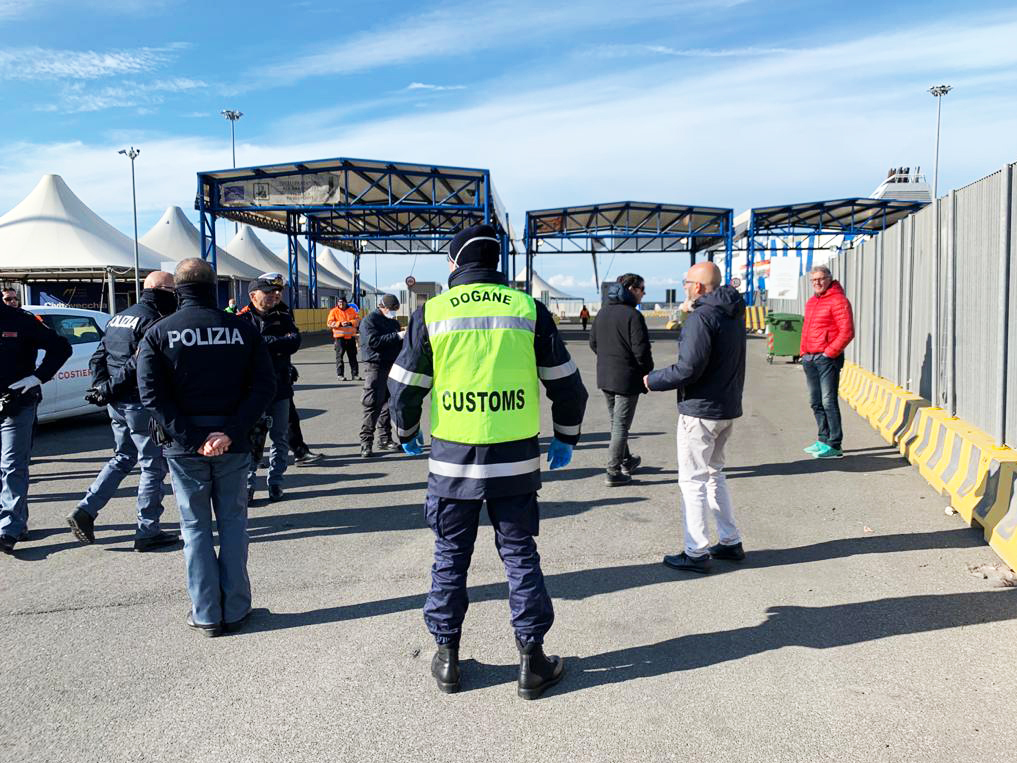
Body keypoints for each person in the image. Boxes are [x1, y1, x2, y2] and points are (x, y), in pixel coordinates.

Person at [389, 223, 588, 699]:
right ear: (495, 263)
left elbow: (403, 387)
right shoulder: (527, 309)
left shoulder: (432, 311)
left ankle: (448, 658)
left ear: (456, 263)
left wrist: (406, 431)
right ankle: (532, 660)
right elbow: (567, 385)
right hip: (515, 462)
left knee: (449, 558)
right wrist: (566, 437)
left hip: (452, 462)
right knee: (520, 558)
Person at [136, 258, 275, 637]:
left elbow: (151, 395)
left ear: (178, 290)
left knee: (195, 529)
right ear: (214, 287)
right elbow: (265, 387)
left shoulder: (159, 333)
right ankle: (236, 608)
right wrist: (229, 432)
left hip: (184, 448)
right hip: (233, 444)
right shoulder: (243, 330)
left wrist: (194, 438)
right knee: (233, 525)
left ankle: (207, 614)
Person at [644, 262, 746, 574]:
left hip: (700, 410)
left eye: (688, 282)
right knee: (715, 474)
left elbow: (689, 367)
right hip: (726, 407)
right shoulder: (732, 313)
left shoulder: (702, 318)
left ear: (699, 287)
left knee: (693, 480)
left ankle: (696, 551)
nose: (685, 286)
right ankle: (729, 541)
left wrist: (652, 380)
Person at [67, 271, 180, 551]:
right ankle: (147, 529)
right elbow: (137, 363)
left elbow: (98, 356)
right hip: (140, 402)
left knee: (123, 457)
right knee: (153, 465)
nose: (176, 295)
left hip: (117, 404)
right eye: (173, 290)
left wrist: (102, 387)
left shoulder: (120, 316)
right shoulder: (155, 321)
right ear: (160, 290)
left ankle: (86, 508)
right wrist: (109, 388)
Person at [0, 295, 72, 554]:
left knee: (12, 466)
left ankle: (8, 529)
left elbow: (62, 348)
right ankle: (16, 523)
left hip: (16, 405)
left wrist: (38, 377)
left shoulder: (20, 320)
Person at [236, 273, 301, 502]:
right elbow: (241, 350)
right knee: (253, 439)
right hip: (251, 389)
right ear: (253, 295)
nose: (275, 295)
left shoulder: (283, 315)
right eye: (269, 292)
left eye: (277, 291)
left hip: (280, 386)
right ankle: (248, 484)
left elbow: (294, 342)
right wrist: (276, 344)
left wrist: (264, 343)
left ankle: (276, 482)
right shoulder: (240, 319)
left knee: (280, 437)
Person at [590, 274, 653, 486]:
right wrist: (647, 371)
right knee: (620, 426)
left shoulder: (602, 313)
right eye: (642, 288)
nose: (644, 293)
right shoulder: (633, 316)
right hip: (627, 379)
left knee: (616, 422)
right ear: (631, 289)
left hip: (605, 376)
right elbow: (641, 351)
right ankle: (613, 470)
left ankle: (626, 460)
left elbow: (593, 343)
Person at [800, 265, 855, 459]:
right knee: (815, 402)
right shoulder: (812, 302)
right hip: (810, 357)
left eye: (821, 279)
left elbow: (847, 331)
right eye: (814, 280)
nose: (817, 283)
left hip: (826, 359)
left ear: (829, 278)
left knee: (828, 401)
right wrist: (803, 353)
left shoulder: (839, 301)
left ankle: (835, 444)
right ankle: (823, 439)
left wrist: (829, 353)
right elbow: (807, 329)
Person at [358, 294, 403, 458]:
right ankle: (366, 442)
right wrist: (397, 336)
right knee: (372, 404)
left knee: (388, 405)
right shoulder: (370, 321)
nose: (393, 313)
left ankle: (385, 439)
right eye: (391, 310)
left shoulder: (393, 322)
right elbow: (373, 342)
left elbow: (398, 343)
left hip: (392, 366)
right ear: (382, 307)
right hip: (375, 366)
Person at [327, 296, 360, 381]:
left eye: (342, 302)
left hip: (351, 338)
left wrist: (350, 323)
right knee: (339, 358)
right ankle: (340, 375)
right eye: (339, 302)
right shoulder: (333, 311)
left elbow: (357, 320)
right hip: (339, 338)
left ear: (346, 302)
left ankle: (355, 374)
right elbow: (329, 323)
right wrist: (340, 324)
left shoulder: (352, 311)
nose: (340, 304)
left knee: (353, 357)